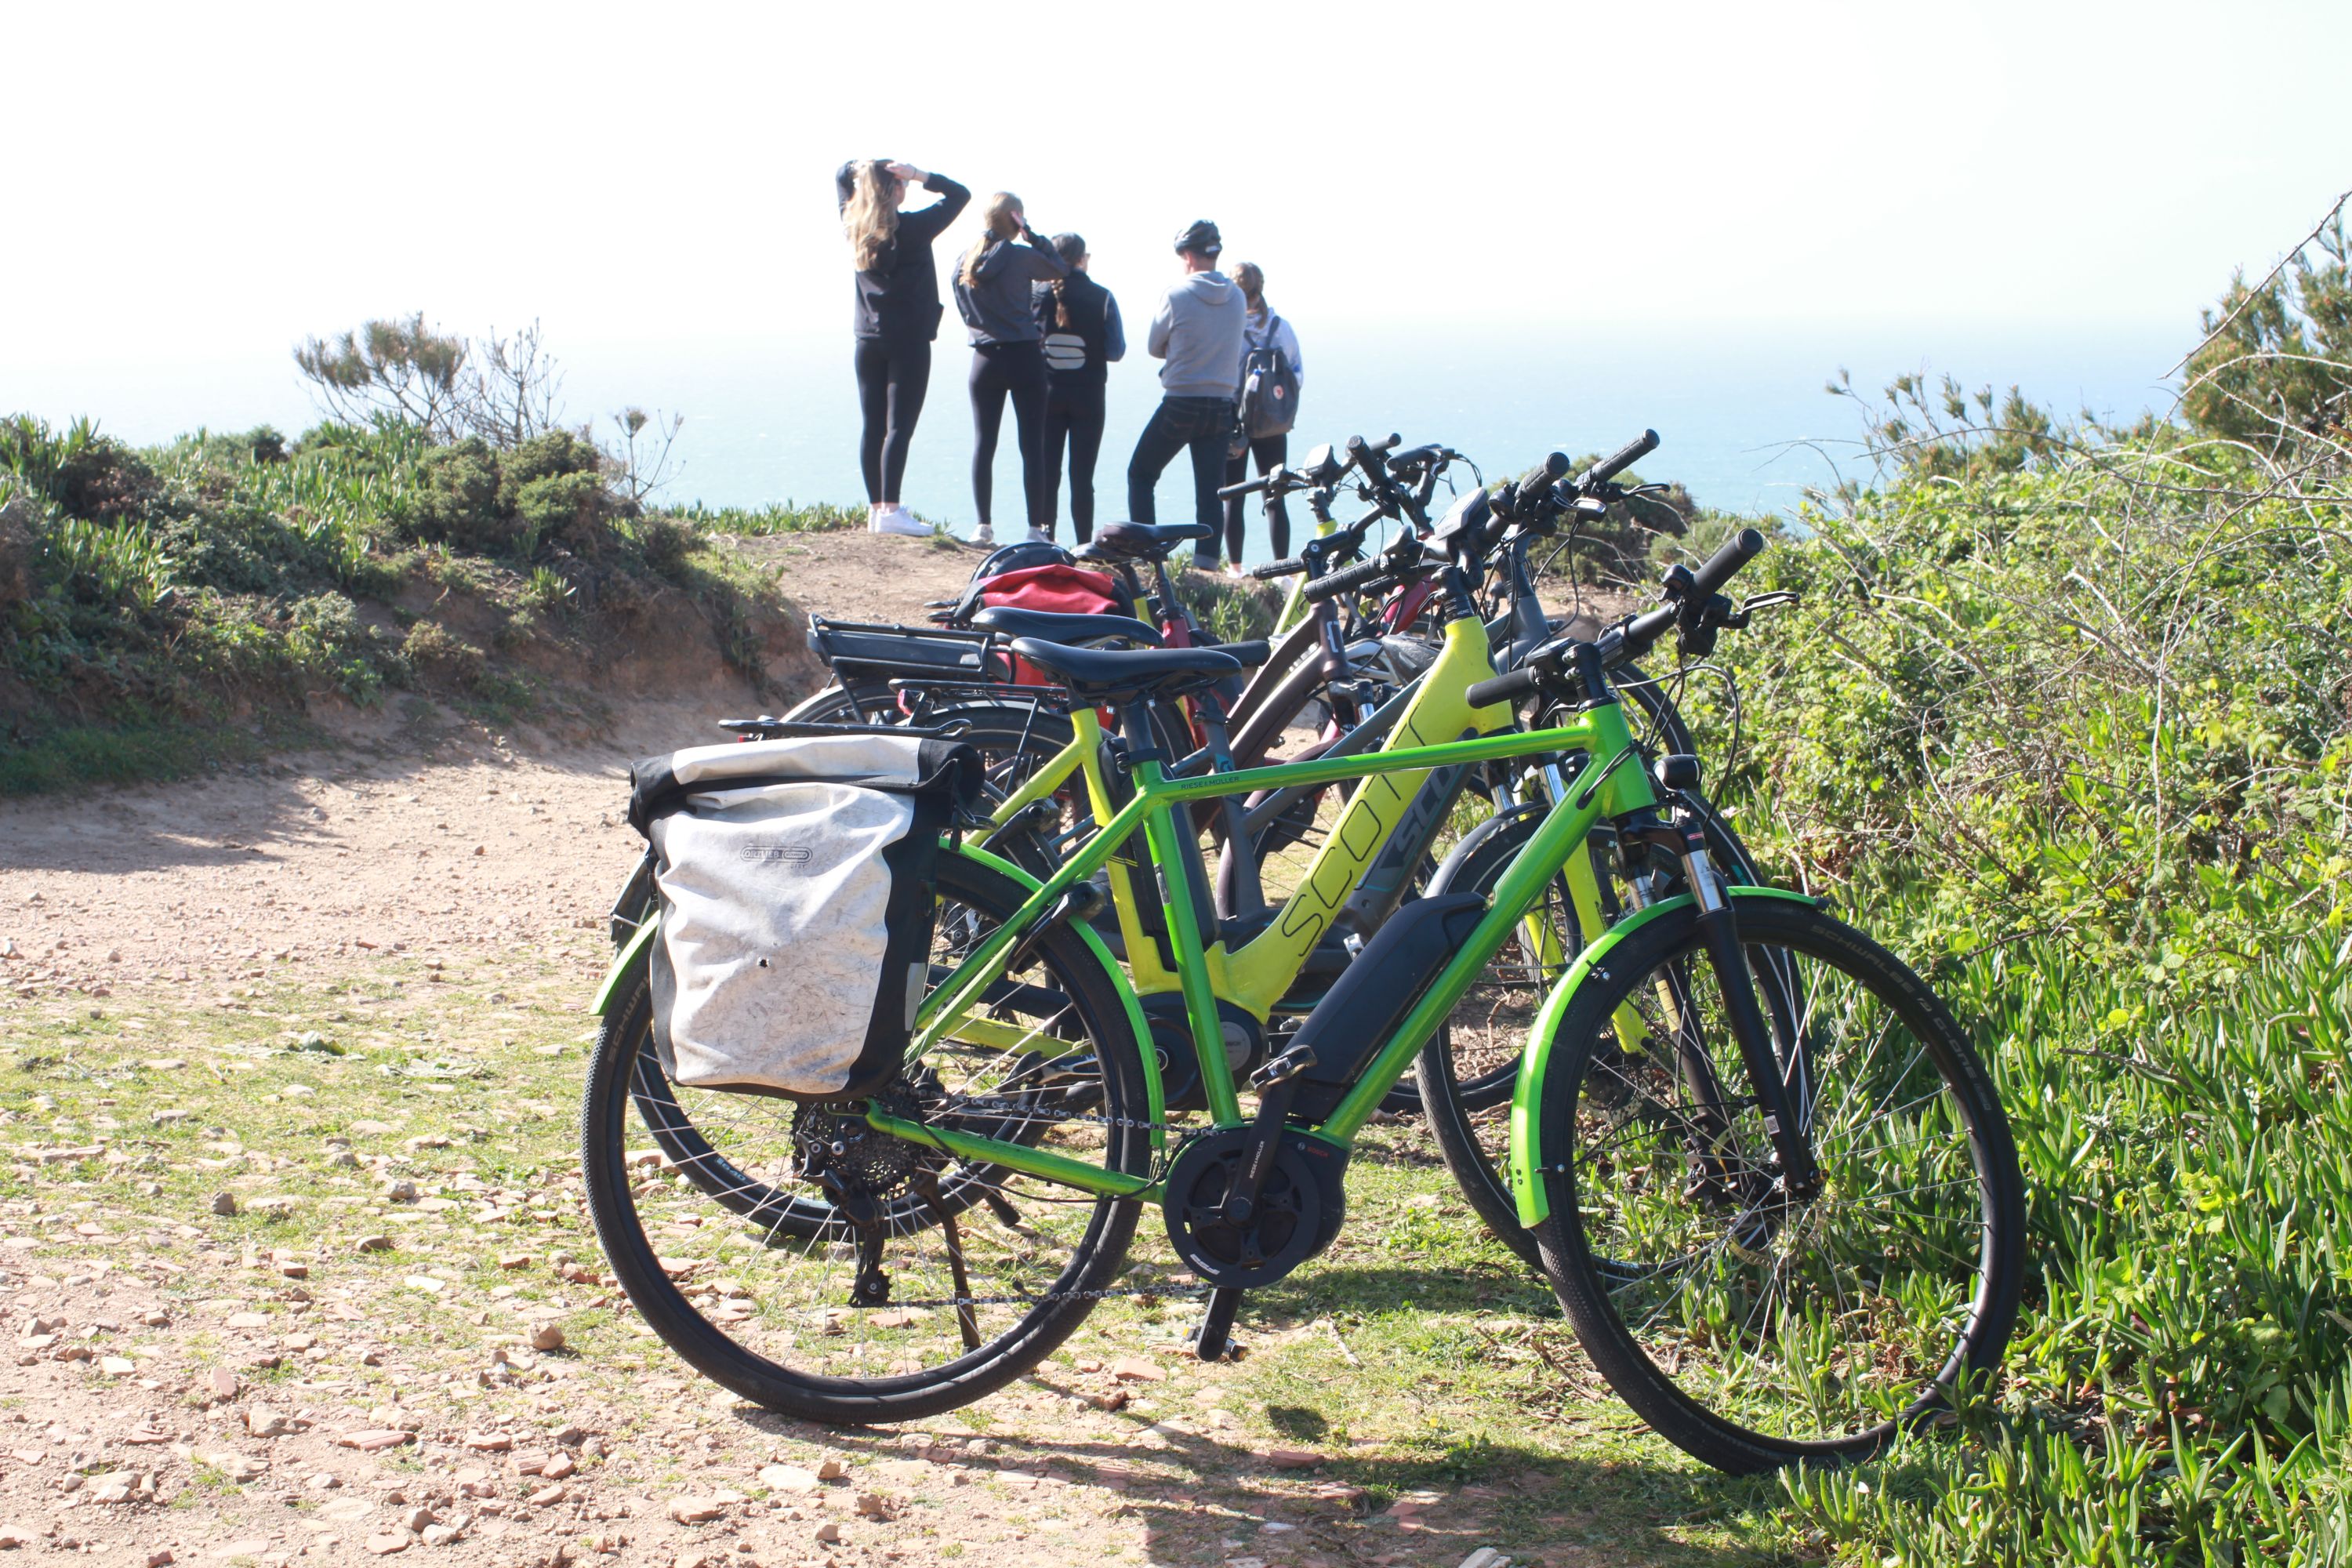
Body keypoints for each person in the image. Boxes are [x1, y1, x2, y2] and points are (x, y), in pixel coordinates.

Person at [837, 158, 969, 536]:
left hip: (868, 339)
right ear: (894, 190)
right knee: (899, 427)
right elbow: (960, 195)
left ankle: (878, 510)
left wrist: (865, 168)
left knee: (872, 425)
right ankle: (891, 510)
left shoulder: (854, 225)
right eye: (901, 184)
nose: (906, 188)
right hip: (909, 339)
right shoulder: (913, 228)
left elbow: (840, 177)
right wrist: (918, 174)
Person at [1127, 220, 1248, 571]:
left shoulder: (1176, 294)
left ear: (1187, 256)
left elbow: (1154, 346)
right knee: (1211, 489)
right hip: (1222, 404)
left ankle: (1147, 555)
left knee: (1142, 473)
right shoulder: (1237, 296)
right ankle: (1207, 563)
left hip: (1182, 400)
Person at [952, 192, 1069, 548]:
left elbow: (962, 307)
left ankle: (983, 526)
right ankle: (1037, 528)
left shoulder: (963, 261)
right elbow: (1059, 269)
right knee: (1032, 445)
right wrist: (1033, 235)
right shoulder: (1022, 256)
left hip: (984, 359)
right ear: (1015, 219)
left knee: (983, 444)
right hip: (1023, 357)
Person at [1033, 233, 1125, 544]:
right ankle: (1084, 543)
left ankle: (1045, 540)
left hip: (1046, 395)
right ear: (1082, 259)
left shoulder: (1036, 293)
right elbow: (1116, 351)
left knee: (1048, 473)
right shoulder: (1103, 297)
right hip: (1089, 396)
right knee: (1082, 477)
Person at [1220, 261, 1305, 569]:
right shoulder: (1280, 327)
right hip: (1274, 425)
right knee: (1275, 497)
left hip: (1237, 423)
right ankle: (1282, 569)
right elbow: (1296, 374)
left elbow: (1224, 376)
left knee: (1234, 497)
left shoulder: (1229, 327)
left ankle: (1235, 568)